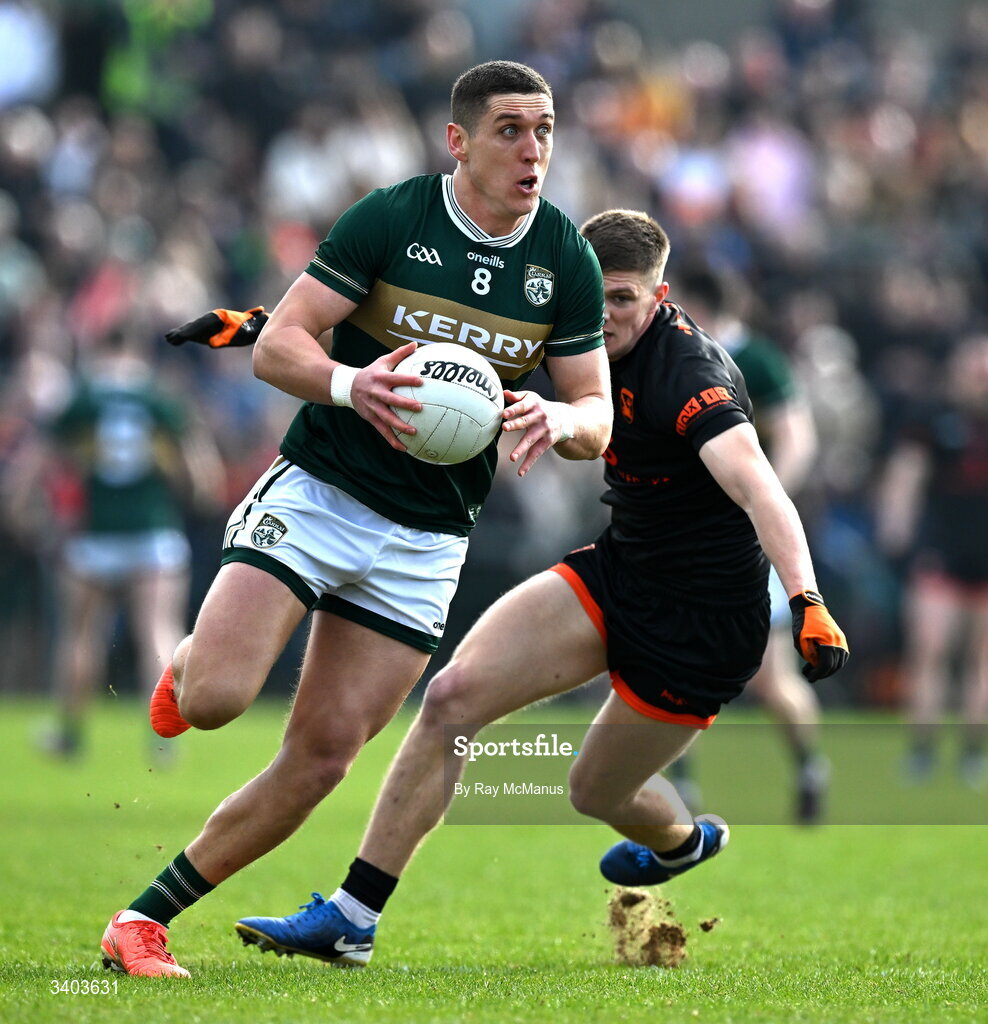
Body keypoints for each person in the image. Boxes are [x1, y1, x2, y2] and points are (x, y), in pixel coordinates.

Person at [227, 209, 848, 968]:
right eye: (600, 296)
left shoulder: (689, 373)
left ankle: (685, 842)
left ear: (660, 295)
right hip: (619, 570)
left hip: (704, 623)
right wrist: (254, 326)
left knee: (596, 794)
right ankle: (353, 918)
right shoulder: (564, 320)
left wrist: (807, 599)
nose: (610, 314)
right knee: (453, 698)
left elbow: (760, 488)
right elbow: (429, 337)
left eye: (627, 299)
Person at [99, 60, 611, 978]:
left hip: (426, 538)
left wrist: (562, 418)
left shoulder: (565, 260)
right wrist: (351, 382)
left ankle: (141, 921)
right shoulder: (393, 217)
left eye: (544, 129)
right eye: (509, 129)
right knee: (216, 700)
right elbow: (279, 343)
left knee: (325, 755)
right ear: (457, 141)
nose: (533, 148)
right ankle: (188, 665)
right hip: (323, 492)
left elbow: (597, 411)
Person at [5, 328, 223, 758]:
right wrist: (201, 494)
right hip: (154, 530)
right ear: (137, 353)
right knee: (158, 631)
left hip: (95, 534)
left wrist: (18, 503)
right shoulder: (159, 398)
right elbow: (201, 472)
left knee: (80, 635)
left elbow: (37, 458)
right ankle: (164, 737)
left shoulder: (82, 398)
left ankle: (69, 735)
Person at [670, 266, 830, 824]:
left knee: (769, 676)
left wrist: (761, 498)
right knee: (667, 659)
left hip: (743, 536)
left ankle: (811, 767)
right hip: (678, 533)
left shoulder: (752, 359)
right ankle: (680, 787)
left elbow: (797, 437)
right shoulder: (670, 353)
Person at [876, 333, 988, 788]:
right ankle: (922, 751)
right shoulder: (933, 416)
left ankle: (973, 755)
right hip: (941, 552)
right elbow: (906, 473)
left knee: (982, 660)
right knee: (930, 652)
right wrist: (894, 525)